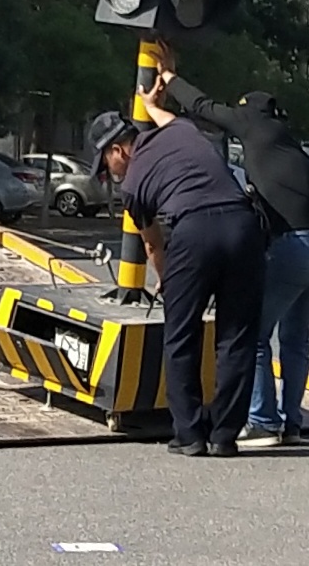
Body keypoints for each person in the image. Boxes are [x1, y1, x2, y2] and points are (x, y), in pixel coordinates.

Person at [157, 67, 309, 448]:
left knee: (252, 334)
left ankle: (262, 422)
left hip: (296, 243)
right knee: (296, 339)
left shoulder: (251, 123)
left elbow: (203, 106)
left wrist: (169, 78)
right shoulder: (287, 142)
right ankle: (293, 423)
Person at [92, 89, 266, 457]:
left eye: (107, 166)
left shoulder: (132, 186)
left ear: (118, 151)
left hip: (194, 231)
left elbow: (154, 245)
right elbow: (167, 117)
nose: (111, 175)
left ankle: (189, 434)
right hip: (243, 225)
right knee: (237, 337)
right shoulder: (181, 129)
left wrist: (167, 282)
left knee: (181, 335)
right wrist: (152, 104)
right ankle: (224, 436)